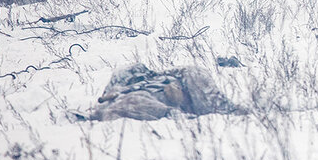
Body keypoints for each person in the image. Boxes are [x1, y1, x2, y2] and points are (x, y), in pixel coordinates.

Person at [79, 63, 240, 121]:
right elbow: (171, 114)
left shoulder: (120, 94)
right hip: (157, 89)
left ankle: (232, 110)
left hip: (155, 81)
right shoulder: (130, 103)